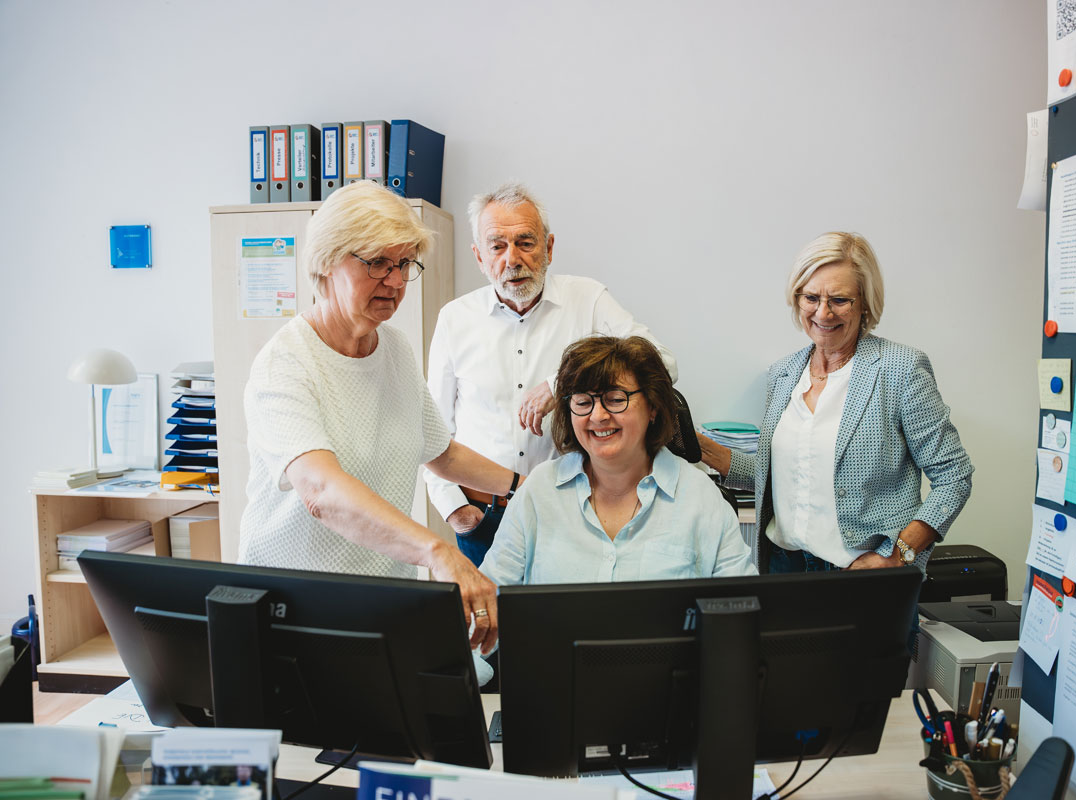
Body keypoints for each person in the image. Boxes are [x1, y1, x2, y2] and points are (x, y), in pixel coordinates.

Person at [238, 181, 520, 653]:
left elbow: (441, 452)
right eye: (377, 263)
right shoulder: (285, 364)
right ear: (326, 262)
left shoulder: (392, 348)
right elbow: (321, 491)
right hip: (296, 609)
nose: (395, 281)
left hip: (382, 603)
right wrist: (437, 552)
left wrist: (522, 487)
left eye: (404, 263)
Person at [426, 182, 678, 567]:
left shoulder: (588, 299)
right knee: (490, 609)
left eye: (525, 242)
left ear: (549, 247)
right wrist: (456, 513)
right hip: (484, 518)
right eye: (497, 246)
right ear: (479, 256)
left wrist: (560, 383)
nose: (512, 259)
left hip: (574, 511)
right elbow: (431, 431)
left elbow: (663, 365)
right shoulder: (454, 319)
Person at [698, 232, 973, 576]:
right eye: (811, 297)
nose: (823, 313)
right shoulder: (783, 374)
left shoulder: (900, 369)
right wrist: (697, 446)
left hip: (863, 571)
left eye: (840, 300)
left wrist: (898, 554)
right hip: (785, 565)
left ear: (865, 303)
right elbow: (780, 477)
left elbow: (954, 475)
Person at [481, 336, 756, 586]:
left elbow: (741, 603)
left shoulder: (699, 497)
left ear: (653, 407)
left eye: (615, 399)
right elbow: (491, 595)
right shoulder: (539, 490)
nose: (598, 416)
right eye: (583, 402)